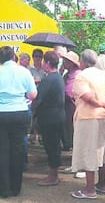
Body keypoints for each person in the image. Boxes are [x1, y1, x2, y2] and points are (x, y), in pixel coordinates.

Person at [0, 46, 37, 199]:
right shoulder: (24, 72)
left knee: (1, 152)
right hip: (19, 113)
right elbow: (32, 94)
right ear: (14, 57)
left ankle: (4, 189)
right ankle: (16, 188)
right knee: (17, 151)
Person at [70, 49, 105, 200]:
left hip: (88, 117)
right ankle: (102, 184)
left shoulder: (82, 76)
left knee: (89, 152)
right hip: (104, 117)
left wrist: (100, 103)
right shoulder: (101, 73)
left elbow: (86, 96)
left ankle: (89, 189)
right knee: (102, 150)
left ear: (83, 61)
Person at [31, 51, 66, 186]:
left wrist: (31, 108)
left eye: (44, 61)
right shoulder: (58, 77)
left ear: (48, 63)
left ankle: (53, 176)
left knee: (51, 146)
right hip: (58, 115)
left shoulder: (48, 79)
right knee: (55, 146)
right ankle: (54, 174)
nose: (43, 64)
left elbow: (38, 99)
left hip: (49, 118)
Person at [61, 51, 81, 151]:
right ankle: (68, 143)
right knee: (67, 123)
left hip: (73, 102)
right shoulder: (67, 74)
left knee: (71, 123)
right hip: (67, 102)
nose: (64, 63)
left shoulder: (77, 74)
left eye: (66, 61)